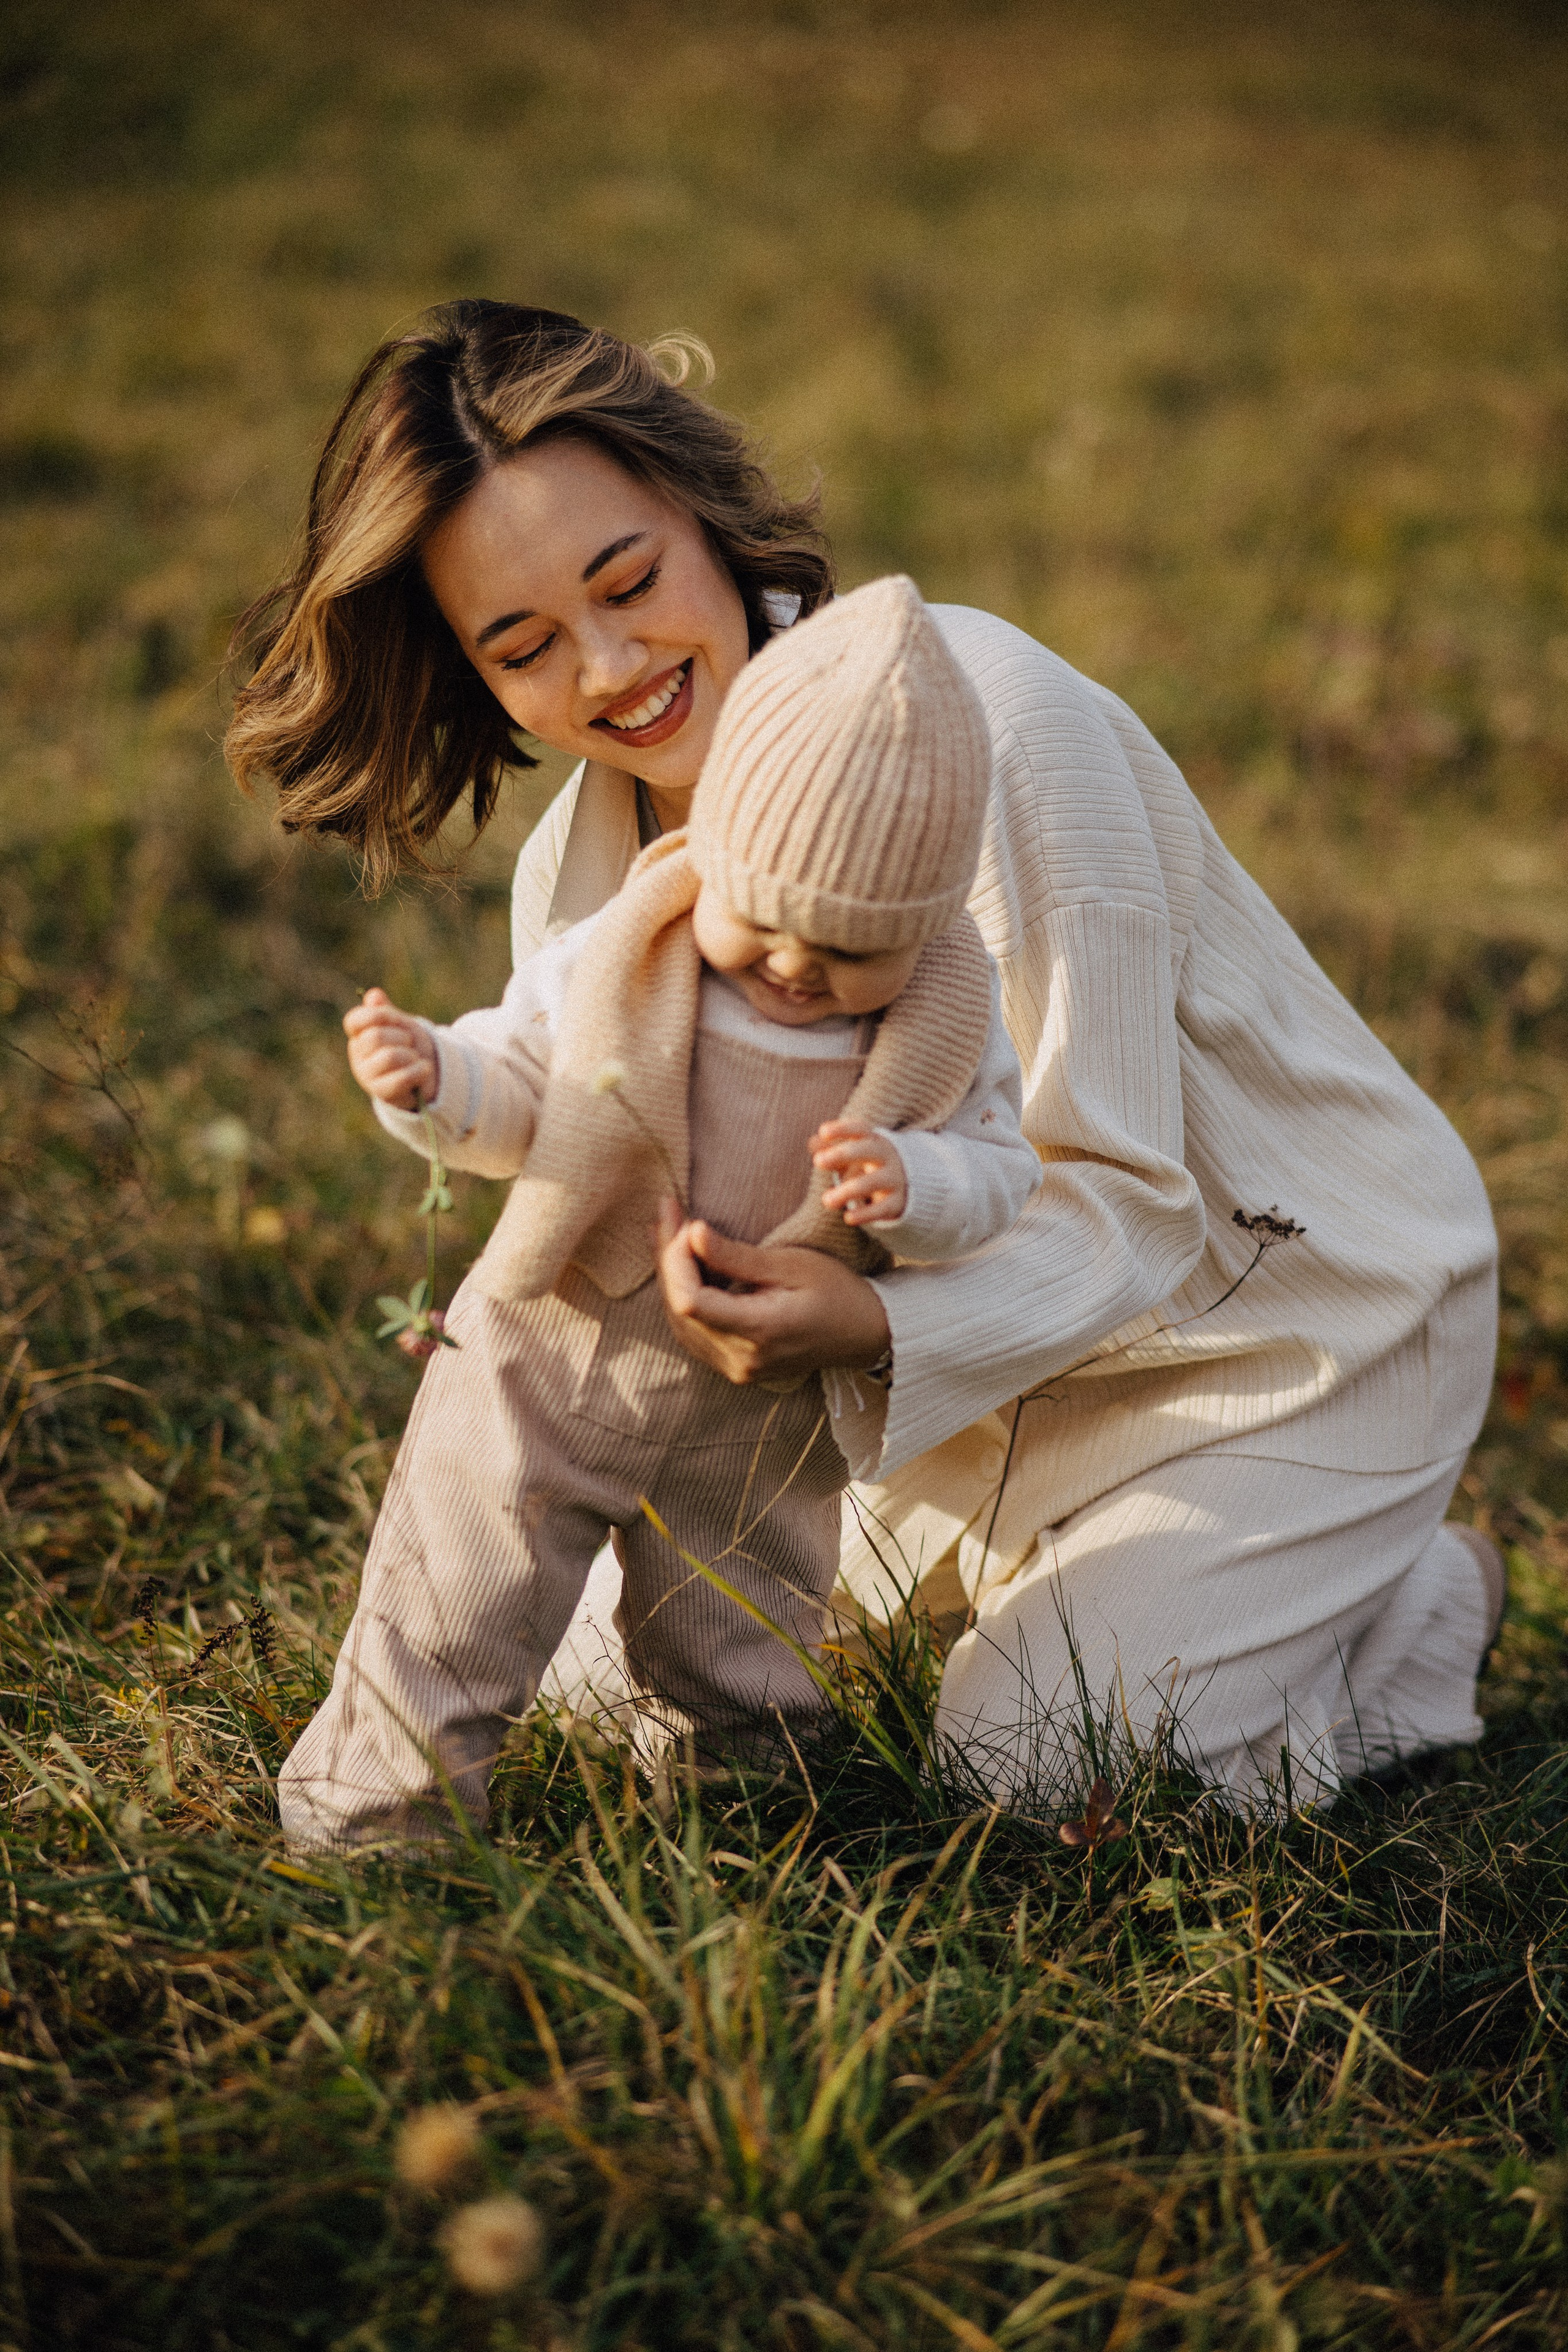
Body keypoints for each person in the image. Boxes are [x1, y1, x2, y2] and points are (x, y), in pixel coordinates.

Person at [228, 300, 1501, 1815]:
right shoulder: (583, 869)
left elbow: (1134, 1203)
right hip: (919, 1395)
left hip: (1262, 1334)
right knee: (592, 1689)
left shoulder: (989, 724)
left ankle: (1401, 1599)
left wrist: (865, 1324)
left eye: (627, 580)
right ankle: (1065, 1571)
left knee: (1039, 1771)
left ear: (700, 514)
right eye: (524, 647)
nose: (612, 665)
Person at [275, 578, 1041, 1847]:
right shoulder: (624, 948)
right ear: (709, 857)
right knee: (463, 1582)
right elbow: (524, 1081)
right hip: (557, 1339)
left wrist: (921, 1189)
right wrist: (434, 1081)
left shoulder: (945, 1016)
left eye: (851, 951)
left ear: (925, 925)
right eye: (769, 923)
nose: (797, 966)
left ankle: (747, 1824)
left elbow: (999, 1173)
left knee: (745, 1625)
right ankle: (374, 1825)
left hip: (756, 1396)